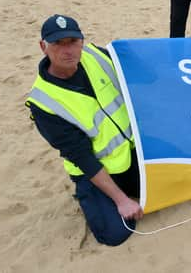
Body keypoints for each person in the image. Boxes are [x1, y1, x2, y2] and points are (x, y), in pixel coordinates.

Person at [26, 14, 143, 246]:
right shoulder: (43, 102)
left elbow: (138, 70)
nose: (67, 50)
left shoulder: (97, 56)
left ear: (82, 41)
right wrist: (121, 200)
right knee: (115, 233)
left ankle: (127, 185)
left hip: (131, 154)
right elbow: (81, 156)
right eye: (58, 43)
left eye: (73, 41)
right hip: (94, 169)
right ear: (43, 47)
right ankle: (96, 194)